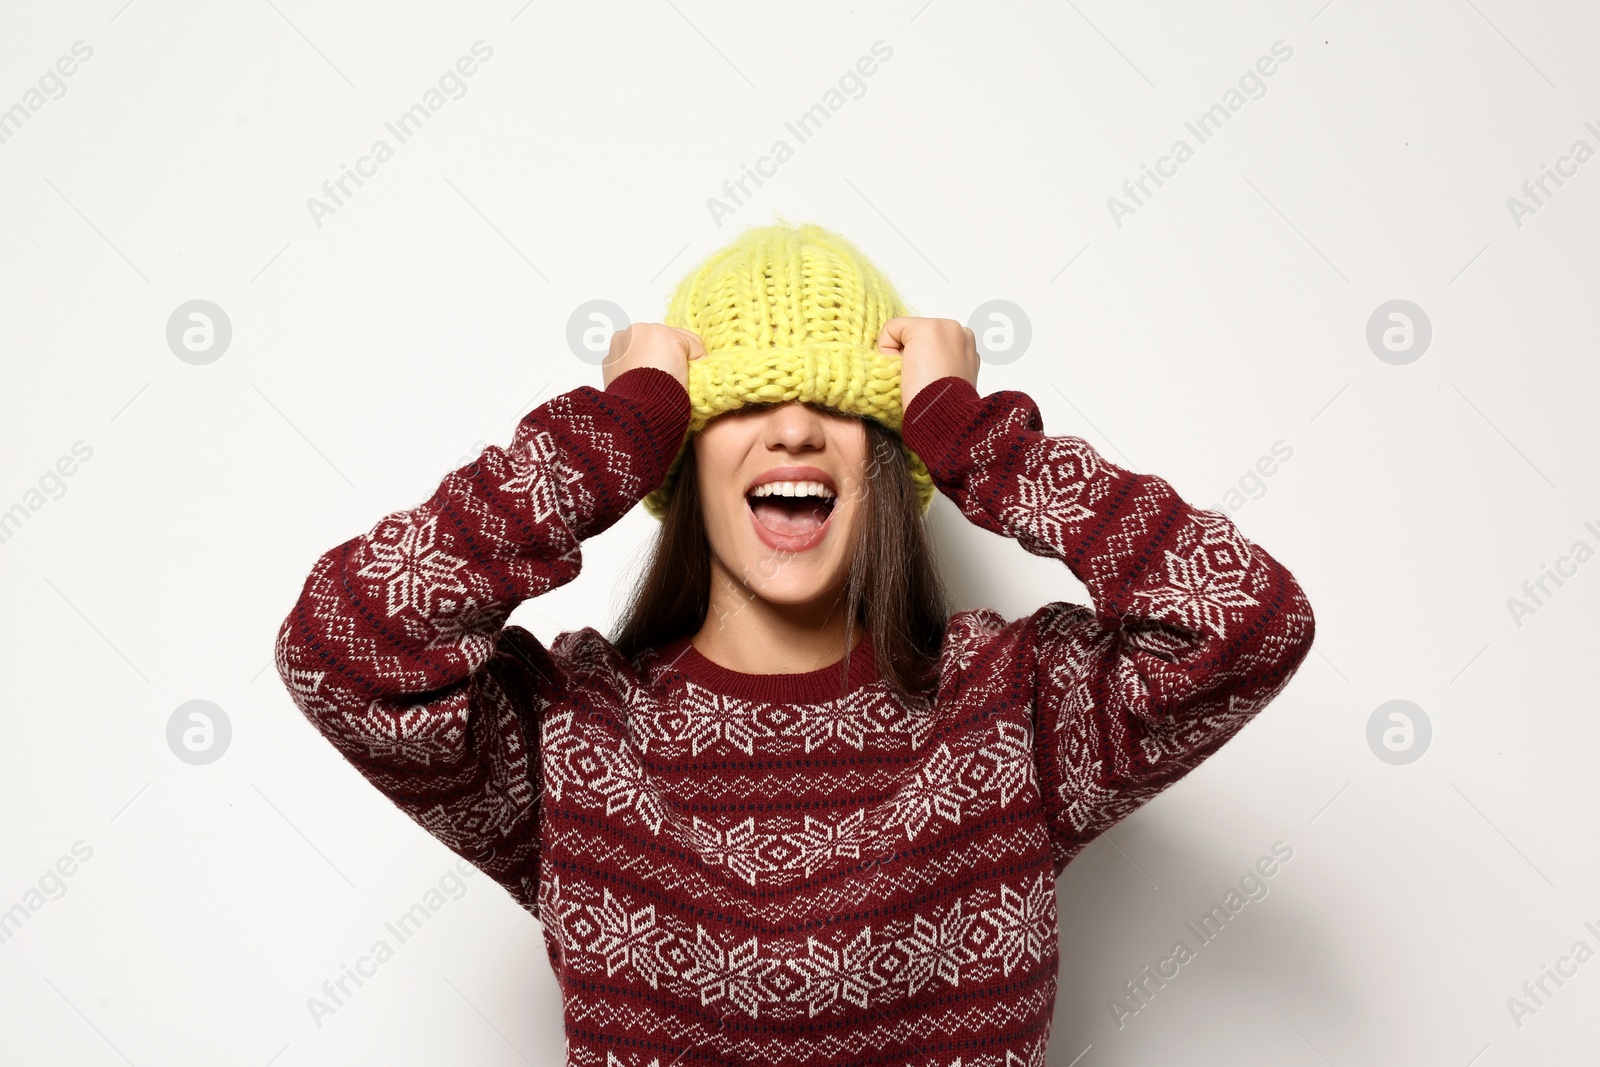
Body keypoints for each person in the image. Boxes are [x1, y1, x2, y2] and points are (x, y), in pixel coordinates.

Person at [274, 221, 1315, 1065]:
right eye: (743, 404)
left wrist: (982, 436)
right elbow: (342, 647)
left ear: (894, 454)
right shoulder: (574, 736)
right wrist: (605, 434)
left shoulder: (1013, 709)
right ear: (678, 460)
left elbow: (1245, 623)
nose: (793, 431)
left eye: (838, 402)